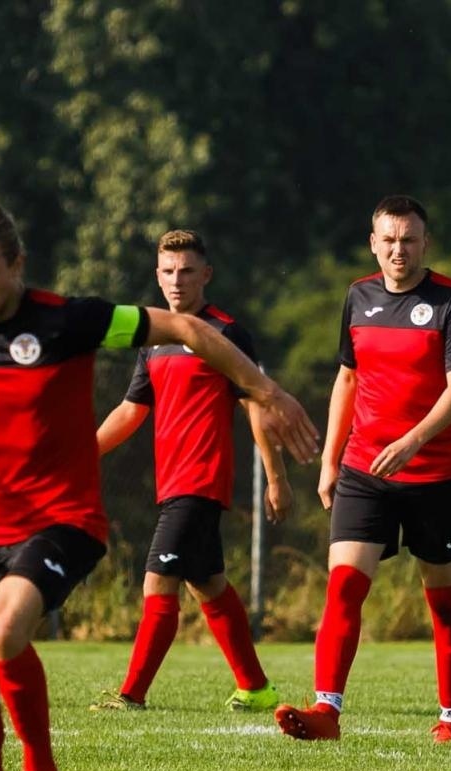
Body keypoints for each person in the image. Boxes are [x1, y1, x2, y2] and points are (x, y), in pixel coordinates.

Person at [0, 202, 318, 771]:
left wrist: (265, 391)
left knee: (3, 628)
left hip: (64, 518)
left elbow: (187, 329)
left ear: (17, 266)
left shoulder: (71, 320)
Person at [274, 195, 451, 744]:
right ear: (373, 243)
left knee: (444, 599)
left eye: (408, 240)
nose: (398, 250)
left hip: (437, 473)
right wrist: (329, 459)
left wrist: (413, 441)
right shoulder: (357, 296)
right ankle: (326, 712)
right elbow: (347, 379)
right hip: (366, 471)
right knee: (343, 585)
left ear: (424, 243)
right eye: (388, 240)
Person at [91, 229, 290, 714]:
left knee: (158, 581)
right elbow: (130, 411)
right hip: (172, 481)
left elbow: (257, 406)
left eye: (185, 271)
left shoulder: (226, 333)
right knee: (209, 584)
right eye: (167, 271)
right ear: (157, 275)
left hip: (201, 480)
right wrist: (80, 454)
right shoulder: (154, 336)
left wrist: (276, 476)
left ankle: (131, 695)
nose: (176, 280)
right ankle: (256, 687)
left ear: (206, 275)